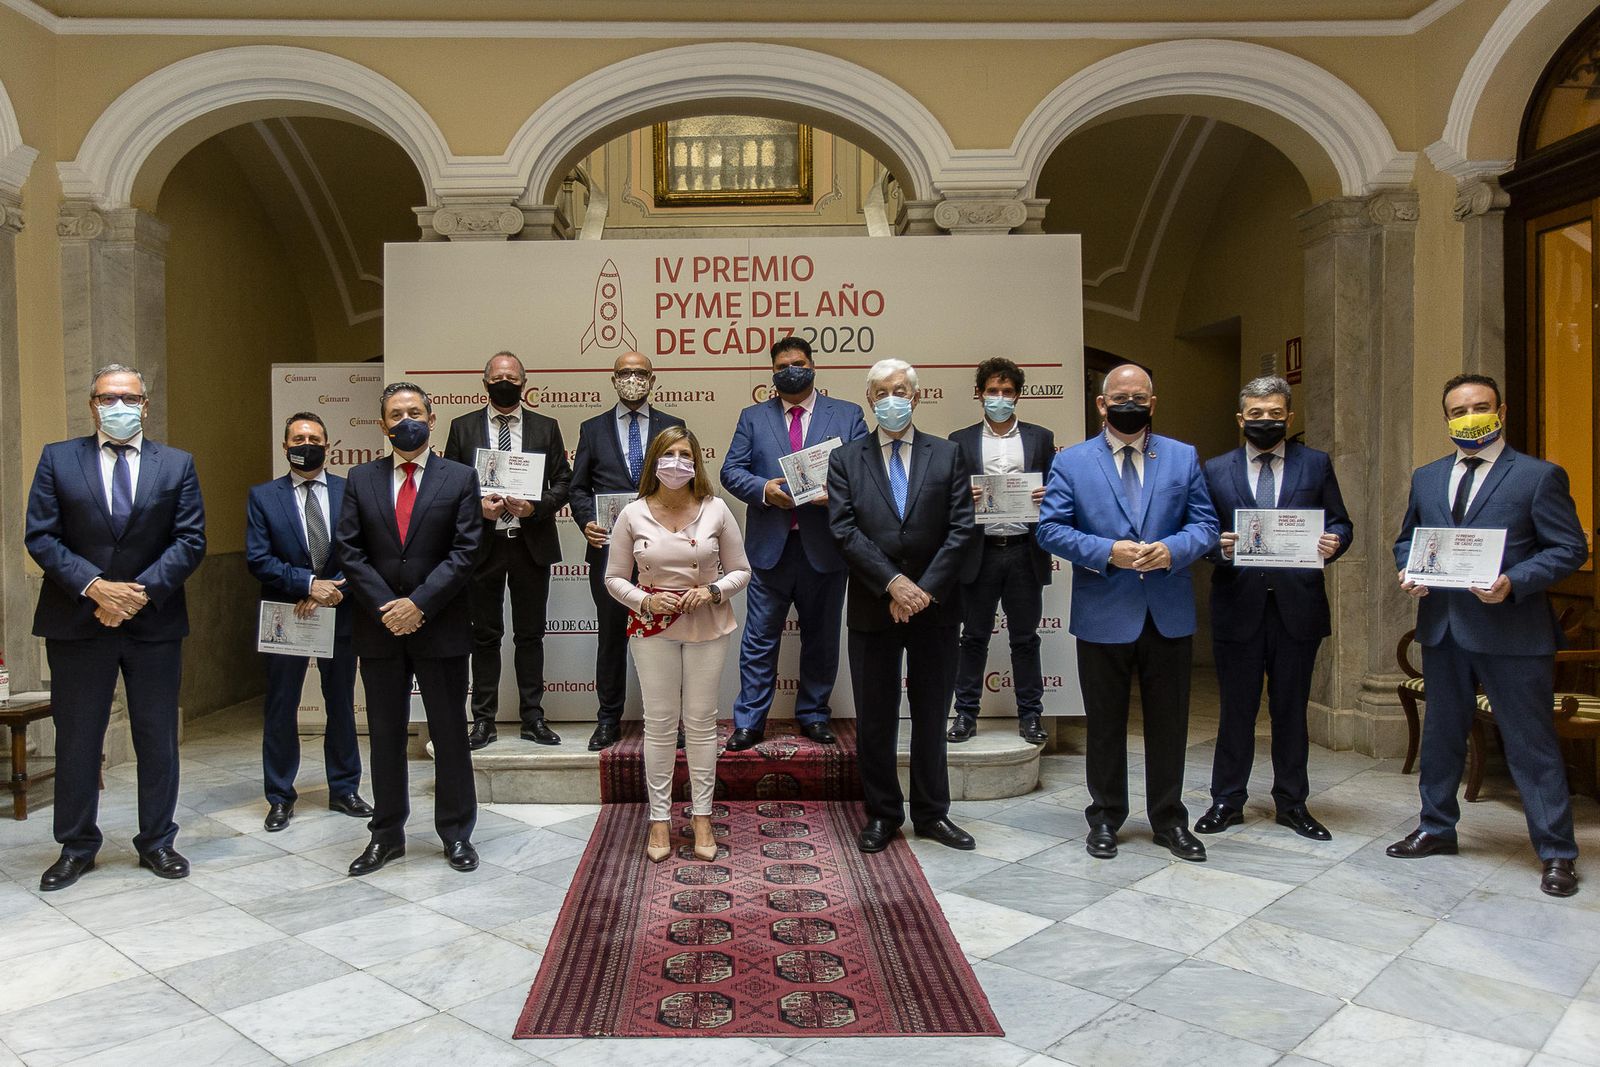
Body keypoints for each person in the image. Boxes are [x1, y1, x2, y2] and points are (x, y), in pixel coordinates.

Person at [1389, 373, 1588, 897]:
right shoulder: (1427, 477)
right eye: (1459, 410)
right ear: (1447, 418)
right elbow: (1408, 538)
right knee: (1442, 736)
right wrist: (1409, 571)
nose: (1469, 416)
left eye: (1480, 406)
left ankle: (1557, 853)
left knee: (1531, 744)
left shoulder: (1538, 476)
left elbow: (1569, 549)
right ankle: (1436, 827)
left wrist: (1513, 582)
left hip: (1513, 633)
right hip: (1444, 628)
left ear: (1501, 412)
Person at [25, 363, 206, 891]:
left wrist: (136, 594)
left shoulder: (176, 464)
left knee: (156, 738)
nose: (118, 407)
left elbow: (190, 540)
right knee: (78, 737)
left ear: (145, 405)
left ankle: (157, 841)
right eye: (107, 398)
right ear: (92, 405)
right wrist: (95, 587)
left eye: (128, 398)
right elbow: (41, 536)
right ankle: (77, 845)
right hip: (78, 620)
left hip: (154, 623)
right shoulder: (58, 459)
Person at [1036, 363, 1218, 863]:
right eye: (1121, 396)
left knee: (1169, 723)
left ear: (1153, 403)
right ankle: (1106, 817)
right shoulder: (1072, 462)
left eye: (1140, 396)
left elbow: (1205, 525)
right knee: (1106, 723)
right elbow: (1050, 529)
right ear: (1102, 403)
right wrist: (1105, 551)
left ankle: (1169, 820)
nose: (1130, 403)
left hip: (1167, 611)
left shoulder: (1182, 457)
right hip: (1103, 610)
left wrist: (1174, 550)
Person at [827, 358, 980, 854]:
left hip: (934, 607)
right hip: (876, 604)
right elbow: (844, 530)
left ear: (916, 397)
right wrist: (893, 584)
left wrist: (921, 591)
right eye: (882, 392)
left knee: (932, 713)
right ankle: (883, 814)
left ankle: (933, 813)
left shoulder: (949, 454)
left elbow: (960, 530)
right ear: (871, 400)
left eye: (900, 390)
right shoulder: (846, 458)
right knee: (876, 716)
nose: (892, 399)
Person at [1193, 376, 1351, 842]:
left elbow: (1340, 519)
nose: (1266, 421)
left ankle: (1292, 803)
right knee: (1236, 711)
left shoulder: (1316, 464)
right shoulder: (1215, 469)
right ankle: (1227, 800)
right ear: (1241, 419)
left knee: (1290, 711)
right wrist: (1214, 546)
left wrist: (1335, 540)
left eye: (1275, 413)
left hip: (1297, 608)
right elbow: (1199, 527)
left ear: (1290, 416)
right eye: (1256, 414)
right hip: (1237, 606)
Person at [335, 382, 483, 876]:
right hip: (379, 627)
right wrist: (387, 606)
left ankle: (456, 833)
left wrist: (418, 604)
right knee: (384, 733)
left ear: (432, 417)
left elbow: (465, 552)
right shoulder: (360, 478)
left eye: (414, 411)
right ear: (382, 425)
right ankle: (386, 834)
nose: (406, 420)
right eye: (395, 414)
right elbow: (350, 551)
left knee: (449, 731)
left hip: (438, 623)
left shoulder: (460, 477)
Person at [605, 426, 750, 862]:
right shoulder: (632, 514)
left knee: (702, 721)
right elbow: (613, 578)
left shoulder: (716, 509)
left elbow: (741, 570)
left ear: (696, 462)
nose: (676, 463)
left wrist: (711, 591)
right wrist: (645, 599)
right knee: (660, 723)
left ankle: (703, 815)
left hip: (706, 623)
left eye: (685, 454)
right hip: (652, 628)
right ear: (654, 462)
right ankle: (660, 818)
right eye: (667, 454)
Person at [720, 337, 868, 750]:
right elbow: (731, 471)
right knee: (758, 639)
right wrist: (764, 489)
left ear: (813, 366)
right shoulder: (753, 417)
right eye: (783, 365)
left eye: (799, 363)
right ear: (773, 371)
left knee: (821, 638)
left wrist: (833, 492)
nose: (792, 370)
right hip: (772, 549)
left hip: (826, 547)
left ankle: (815, 715)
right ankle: (749, 721)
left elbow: (861, 472)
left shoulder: (848, 414)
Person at [244, 412, 372, 833]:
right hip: (287, 613)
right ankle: (280, 796)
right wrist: (307, 584)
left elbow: (365, 550)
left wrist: (336, 590)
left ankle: (345, 788)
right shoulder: (263, 496)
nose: (306, 444)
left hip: (342, 609)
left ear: (328, 444)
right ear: (285, 446)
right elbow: (258, 558)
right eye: (298, 438)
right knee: (282, 705)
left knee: (341, 703)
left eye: (314, 437)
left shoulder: (349, 489)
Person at [444, 351, 573, 749]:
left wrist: (535, 508)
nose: (506, 382)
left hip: (528, 544)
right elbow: (449, 485)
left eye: (513, 377)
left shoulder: (545, 427)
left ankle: (533, 717)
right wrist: (476, 508)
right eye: (499, 377)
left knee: (530, 636)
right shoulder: (462, 428)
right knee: (484, 637)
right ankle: (482, 720)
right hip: (482, 547)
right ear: (485, 383)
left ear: (524, 383)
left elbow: (563, 481)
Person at [569, 351, 685, 751]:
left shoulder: (674, 426)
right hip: (609, 554)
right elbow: (578, 487)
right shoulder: (592, 428)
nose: (632, 378)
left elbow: (684, 484)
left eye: (639, 373)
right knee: (612, 636)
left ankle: (673, 720)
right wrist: (587, 521)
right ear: (612, 378)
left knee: (669, 635)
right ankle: (607, 720)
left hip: (664, 552)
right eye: (624, 373)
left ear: (652, 379)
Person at [948, 357, 1056, 745]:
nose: (999, 398)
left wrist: (1050, 495)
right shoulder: (959, 440)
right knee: (973, 637)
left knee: (1025, 639)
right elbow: (945, 498)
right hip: (980, 553)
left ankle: (1030, 716)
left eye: (1007, 392)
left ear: (1018, 396)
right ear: (979, 394)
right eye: (992, 391)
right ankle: (965, 715)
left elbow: (1059, 494)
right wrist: (962, 496)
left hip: (1024, 551)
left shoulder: (1040, 438)